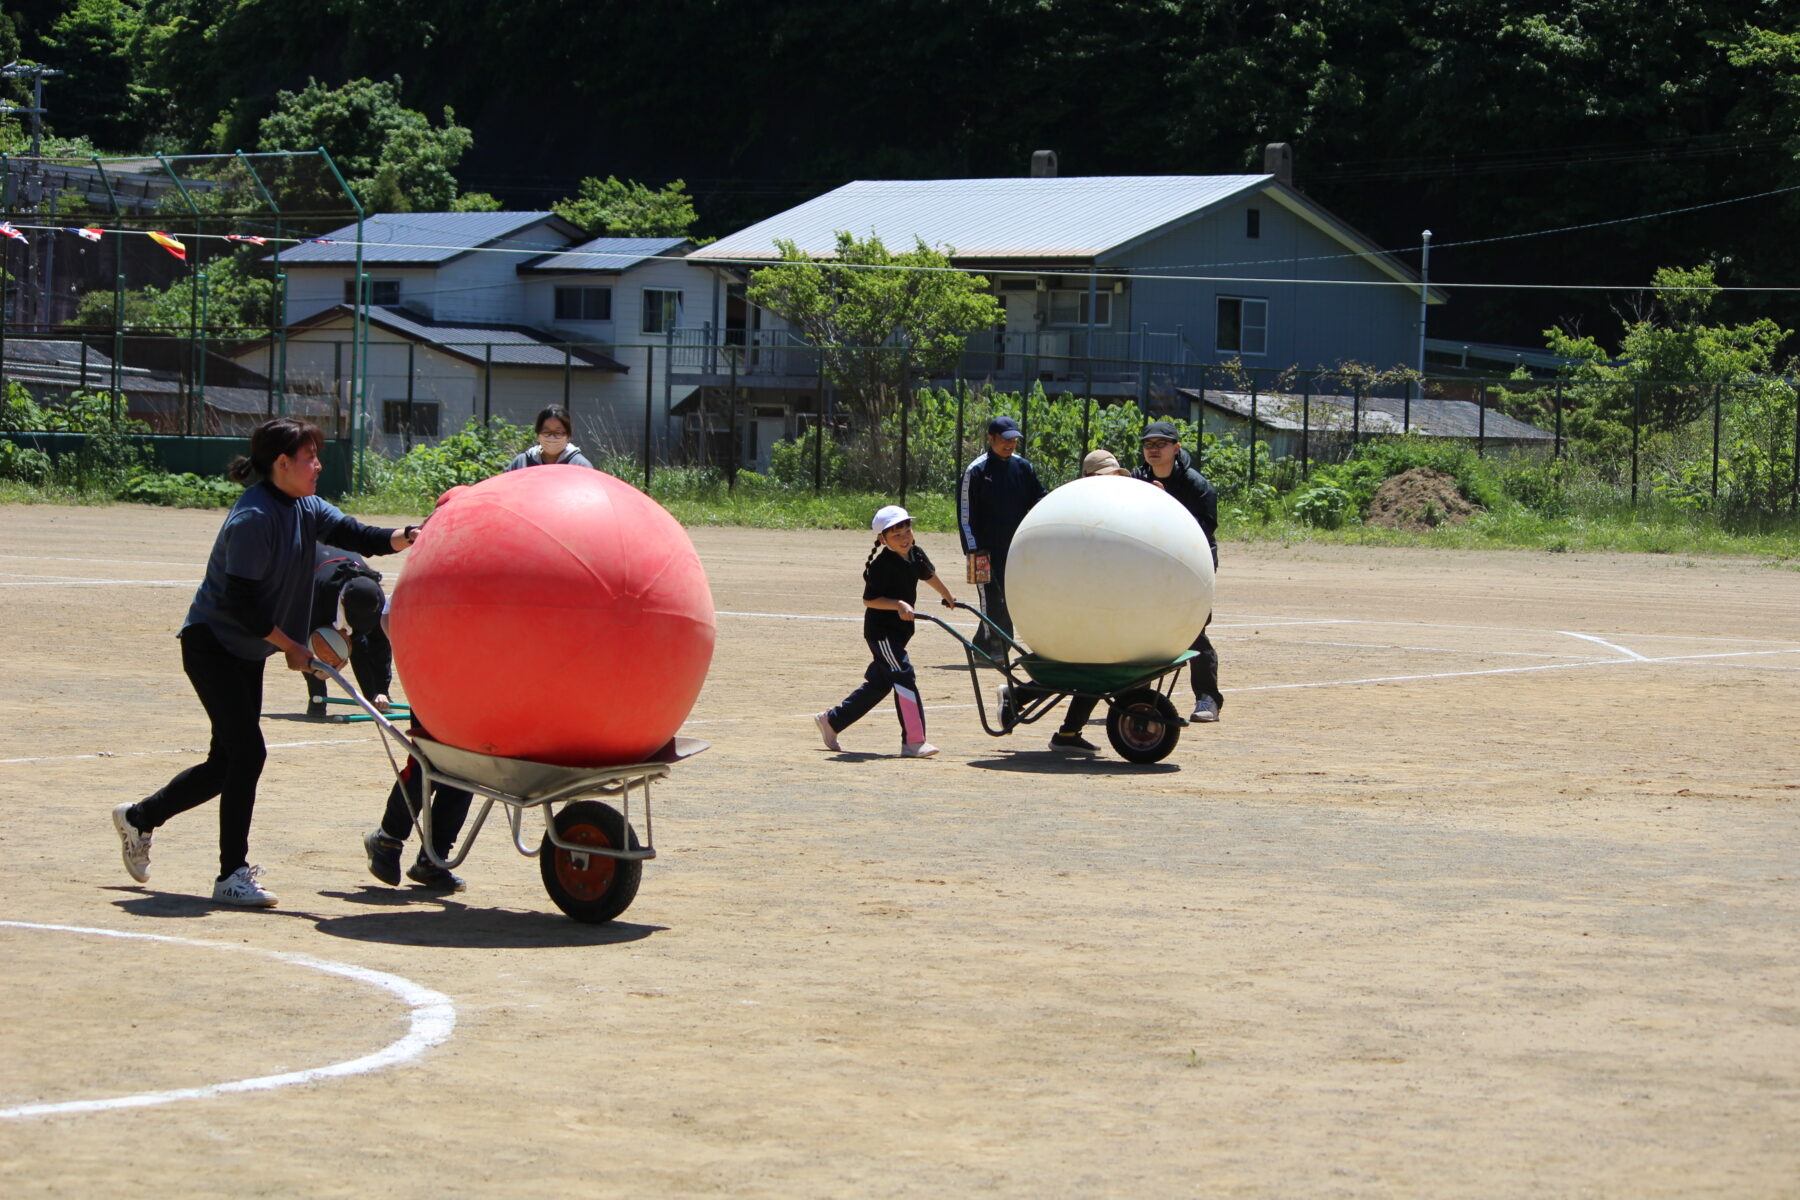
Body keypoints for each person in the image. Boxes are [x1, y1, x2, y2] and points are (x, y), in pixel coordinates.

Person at [110, 417, 419, 907]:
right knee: (247, 755)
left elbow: (355, 533)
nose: (318, 465)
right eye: (310, 457)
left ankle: (140, 817)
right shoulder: (253, 518)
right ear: (281, 464)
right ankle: (231, 875)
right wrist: (293, 647)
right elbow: (241, 605)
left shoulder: (305, 506)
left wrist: (409, 535)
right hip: (213, 646)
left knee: (224, 764)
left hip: (246, 649)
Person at [814, 505, 957, 759]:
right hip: (882, 633)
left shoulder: (916, 554)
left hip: (901, 632)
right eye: (896, 535)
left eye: (906, 531)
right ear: (883, 539)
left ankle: (833, 721)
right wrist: (898, 604)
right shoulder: (882, 565)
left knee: (880, 685)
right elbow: (870, 600)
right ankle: (914, 741)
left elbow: (929, 575)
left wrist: (947, 595)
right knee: (903, 675)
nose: (904, 538)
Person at [1133, 419, 1222, 724]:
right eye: (1148, 444)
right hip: (1149, 567)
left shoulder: (1198, 485)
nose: (1153, 450)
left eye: (1161, 444)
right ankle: (1137, 698)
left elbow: (1203, 531)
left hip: (1192, 566)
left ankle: (1208, 699)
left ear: (1176, 448)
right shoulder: (1137, 479)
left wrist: (1166, 503)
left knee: (1192, 632)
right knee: (1143, 633)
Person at [957, 415, 1046, 660]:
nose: (1010, 444)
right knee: (988, 596)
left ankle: (989, 644)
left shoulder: (1023, 467)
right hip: (980, 550)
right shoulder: (975, 470)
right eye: (1005, 440)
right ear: (991, 438)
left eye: (1014, 440)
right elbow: (965, 515)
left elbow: (1039, 499)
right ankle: (991, 647)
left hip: (1015, 549)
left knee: (1010, 597)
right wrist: (973, 549)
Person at [304, 545, 392, 718]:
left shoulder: (375, 598)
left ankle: (374, 697)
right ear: (343, 601)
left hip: (340, 575)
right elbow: (304, 636)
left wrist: (381, 690)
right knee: (317, 641)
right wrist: (315, 670)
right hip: (310, 565)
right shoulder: (317, 593)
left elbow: (380, 645)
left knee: (359, 641)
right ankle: (317, 700)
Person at [505, 404, 594, 470]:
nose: (552, 437)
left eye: (558, 432)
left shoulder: (581, 466)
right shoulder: (521, 463)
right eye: (546, 432)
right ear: (538, 434)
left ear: (568, 436)